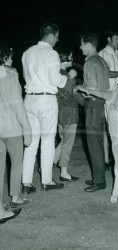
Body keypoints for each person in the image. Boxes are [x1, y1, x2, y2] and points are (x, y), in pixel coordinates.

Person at [22, 23, 75, 193]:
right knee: (47, 141)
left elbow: (27, 77)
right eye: (57, 37)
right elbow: (55, 80)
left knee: (31, 143)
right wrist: (66, 79)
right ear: (51, 36)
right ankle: (47, 180)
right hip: (46, 100)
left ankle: (26, 183)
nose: (57, 40)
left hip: (29, 99)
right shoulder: (51, 54)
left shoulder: (27, 53)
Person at [74, 33, 110, 192]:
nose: (80, 47)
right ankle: (98, 177)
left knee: (93, 144)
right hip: (101, 105)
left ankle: (100, 182)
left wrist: (79, 89)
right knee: (99, 143)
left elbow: (92, 90)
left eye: (82, 44)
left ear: (89, 45)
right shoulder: (102, 60)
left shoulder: (89, 62)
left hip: (93, 106)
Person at [0, 42, 31, 208]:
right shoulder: (11, 77)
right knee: (16, 162)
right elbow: (18, 106)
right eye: (11, 58)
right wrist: (27, 129)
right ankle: (15, 197)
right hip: (12, 129)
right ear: (5, 58)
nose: (13, 61)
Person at [99, 30, 118, 169]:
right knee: (108, 128)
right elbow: (105, 74)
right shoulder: (102, 54)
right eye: (116, 39)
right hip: (109, 96)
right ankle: (106, 160)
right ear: (109, 39)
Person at [53, 46, 79, 181]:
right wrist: (72, 78)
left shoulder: (55, 73)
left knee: (63, 141)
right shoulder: (67, 74)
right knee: (68, 143)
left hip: (60, 112)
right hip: (70, 113)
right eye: (70, 57)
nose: (72, 59)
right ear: (64, 59)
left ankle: (47, 162)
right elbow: (70, 93)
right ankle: (63, 172)